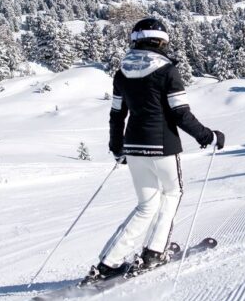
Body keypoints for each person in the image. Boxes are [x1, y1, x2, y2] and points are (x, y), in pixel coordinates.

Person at [86, 18, 225, 284]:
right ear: (161, 41)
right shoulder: (167, 70)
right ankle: (154, 253)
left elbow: (117, 115)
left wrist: (117, 148)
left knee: (146, 205)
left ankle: (108, 265)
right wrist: (209, 137)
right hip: (163, 146)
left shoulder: (121, 72)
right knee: (173, 193)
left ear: (136, 40)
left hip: (133, 146)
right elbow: (181, 113)